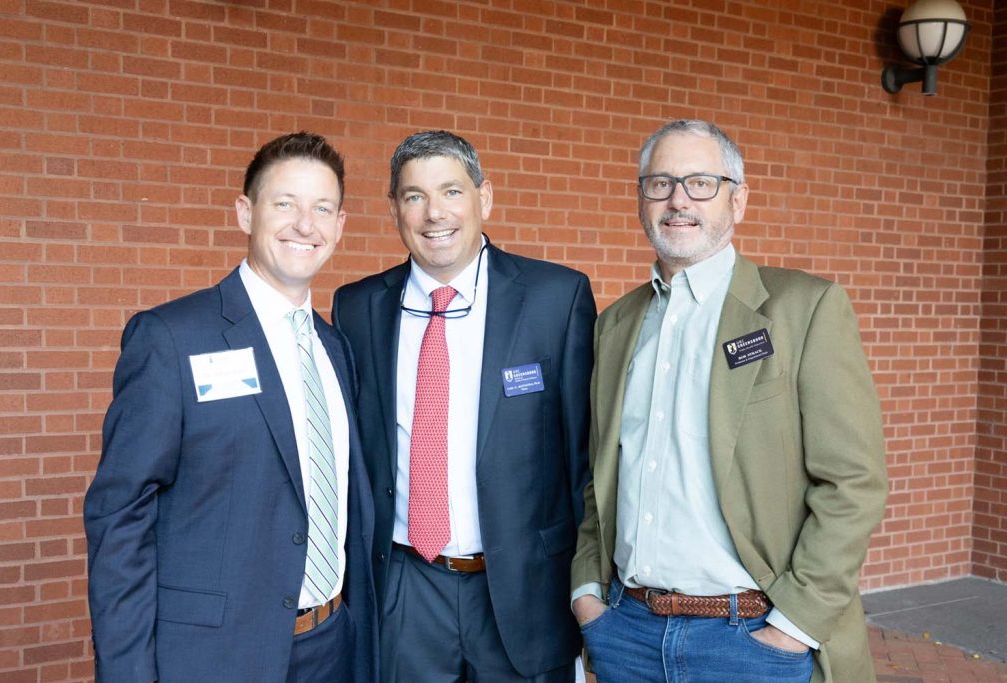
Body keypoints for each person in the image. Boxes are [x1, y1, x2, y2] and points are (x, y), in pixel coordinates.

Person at [570, 119, 888, 683]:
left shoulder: (803, 310)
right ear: (641, 199)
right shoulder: (615, 325)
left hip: (752, 638)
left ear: (737, 200)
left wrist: (793, 625)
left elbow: (852, 482)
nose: (677, 200)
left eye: (700, 183)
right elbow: (601, 476)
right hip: (626, 630)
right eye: (660, 183)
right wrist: (587, 592)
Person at [84, 132, 377, 683]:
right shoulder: (172, 338)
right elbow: (120, 517)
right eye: (284, 203)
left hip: (332, 646)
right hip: (216, 657)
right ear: (246, 212)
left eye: (322, 208)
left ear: (339, 226)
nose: (303, 224)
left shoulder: (336, 349)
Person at [332, 130, 595, 682]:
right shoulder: (357, 307)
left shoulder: (555, 298)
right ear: (394, 209)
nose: (434, 214)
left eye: (451, 192)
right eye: (413, 196)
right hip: (405, 587)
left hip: (523, 591)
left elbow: (582, 461)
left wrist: (588, 589)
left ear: (485, 198)